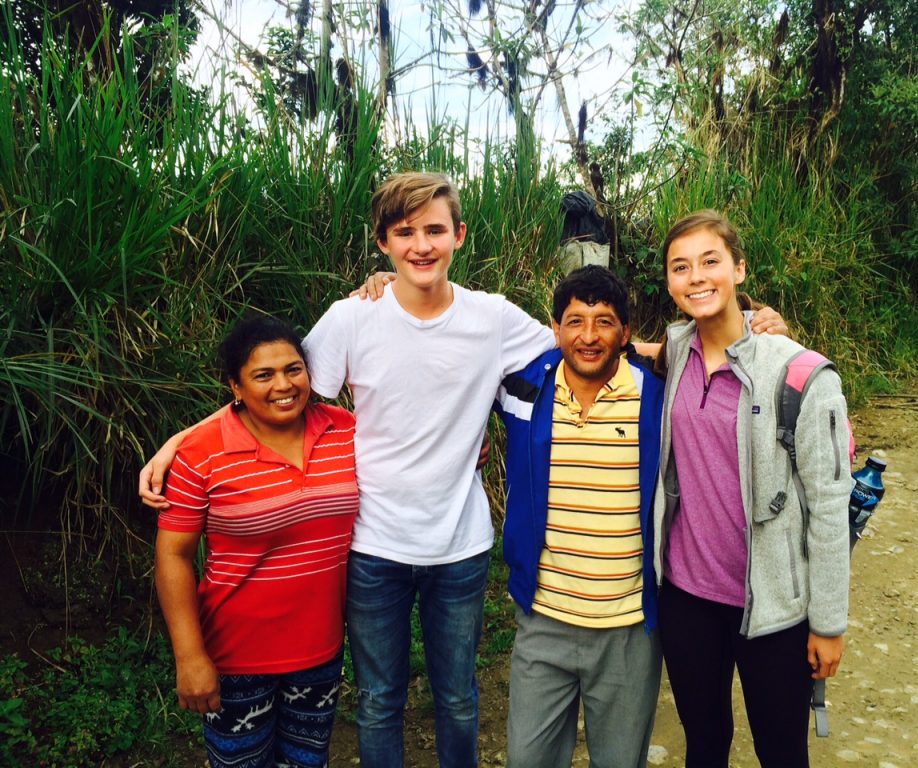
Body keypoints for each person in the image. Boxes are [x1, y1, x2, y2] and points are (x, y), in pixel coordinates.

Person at [144, 172, 788, 766]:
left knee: (457, 699)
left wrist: (739, 337)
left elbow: (586, 341)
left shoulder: (492, 317)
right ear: (383, 242)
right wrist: (186, 438)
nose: (421, 245)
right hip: (373, 546)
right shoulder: (352, 318)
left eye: (434, 230)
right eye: (405, 232)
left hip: (460, 546)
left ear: (459, 234)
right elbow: (277, 389)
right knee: (378, 700)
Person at [651, 210, 852, 768]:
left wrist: (828, 623)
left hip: (773, 605)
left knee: (781, 752)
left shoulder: (801, 373)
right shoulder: (675, 351)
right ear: (669, 282)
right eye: (680, 267)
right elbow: (602, 342)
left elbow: (829, 503)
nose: (696, 277)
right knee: (704, 744)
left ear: (738, 270)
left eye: (710, 261)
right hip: (687, 597)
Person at [154, 316, 358, 768]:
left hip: (320, 650)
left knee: (308, 762)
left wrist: (468, 448)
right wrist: (189, 656)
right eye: (263, 375)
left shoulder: (345, 430)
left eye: (293, 369)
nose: (283, 385)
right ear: (236, 386)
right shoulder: (201, 452)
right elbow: (173, 556)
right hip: (236, 659)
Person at [495, 265, 663, 768]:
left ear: (625, 333)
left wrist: (762, 322)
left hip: (629, 627)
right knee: (527, 759)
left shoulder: (658, 398)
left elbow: (718, 354)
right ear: (555, 328)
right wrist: (390, 286)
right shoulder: (523, 390)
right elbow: (448, 353)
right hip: (543, 618)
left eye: (604, 322)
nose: (588, 336)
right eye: (575, 321)